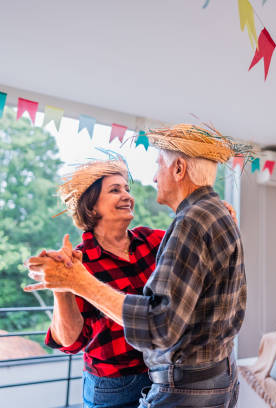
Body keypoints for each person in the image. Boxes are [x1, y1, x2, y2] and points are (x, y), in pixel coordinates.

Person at [25, 124, 252, 407]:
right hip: (112, 387)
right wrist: (63, 286)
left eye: (127, 188)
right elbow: (70, 341)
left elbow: (194, 244)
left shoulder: (152, 240)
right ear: (91, 206)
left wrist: (214, 215)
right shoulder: (80, 262)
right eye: (115, 190)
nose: (127, 195)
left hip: (160, 376)